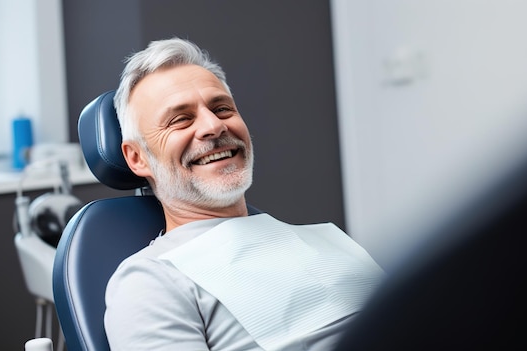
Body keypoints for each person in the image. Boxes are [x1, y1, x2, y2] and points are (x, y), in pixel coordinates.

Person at [104, 37, 385, 350]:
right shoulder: (149, 282)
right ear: (137, 158)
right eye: (181, 119)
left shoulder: (325, 239)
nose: (213, 126)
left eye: (222, 108)